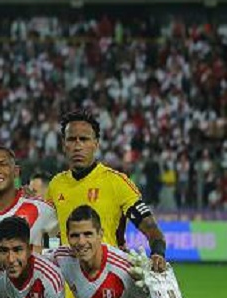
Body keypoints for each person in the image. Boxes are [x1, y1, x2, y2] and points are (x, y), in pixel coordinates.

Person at [46, 110, 167, 271]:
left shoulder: (116, 182)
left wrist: (158, 253)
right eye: (71, 140)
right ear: (63, 145)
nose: (77, 146)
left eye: (84, 139)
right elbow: (49, 234)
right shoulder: (56, 185)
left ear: (96, 144)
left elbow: (150, 227)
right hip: (70, 287)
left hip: (109, 283)